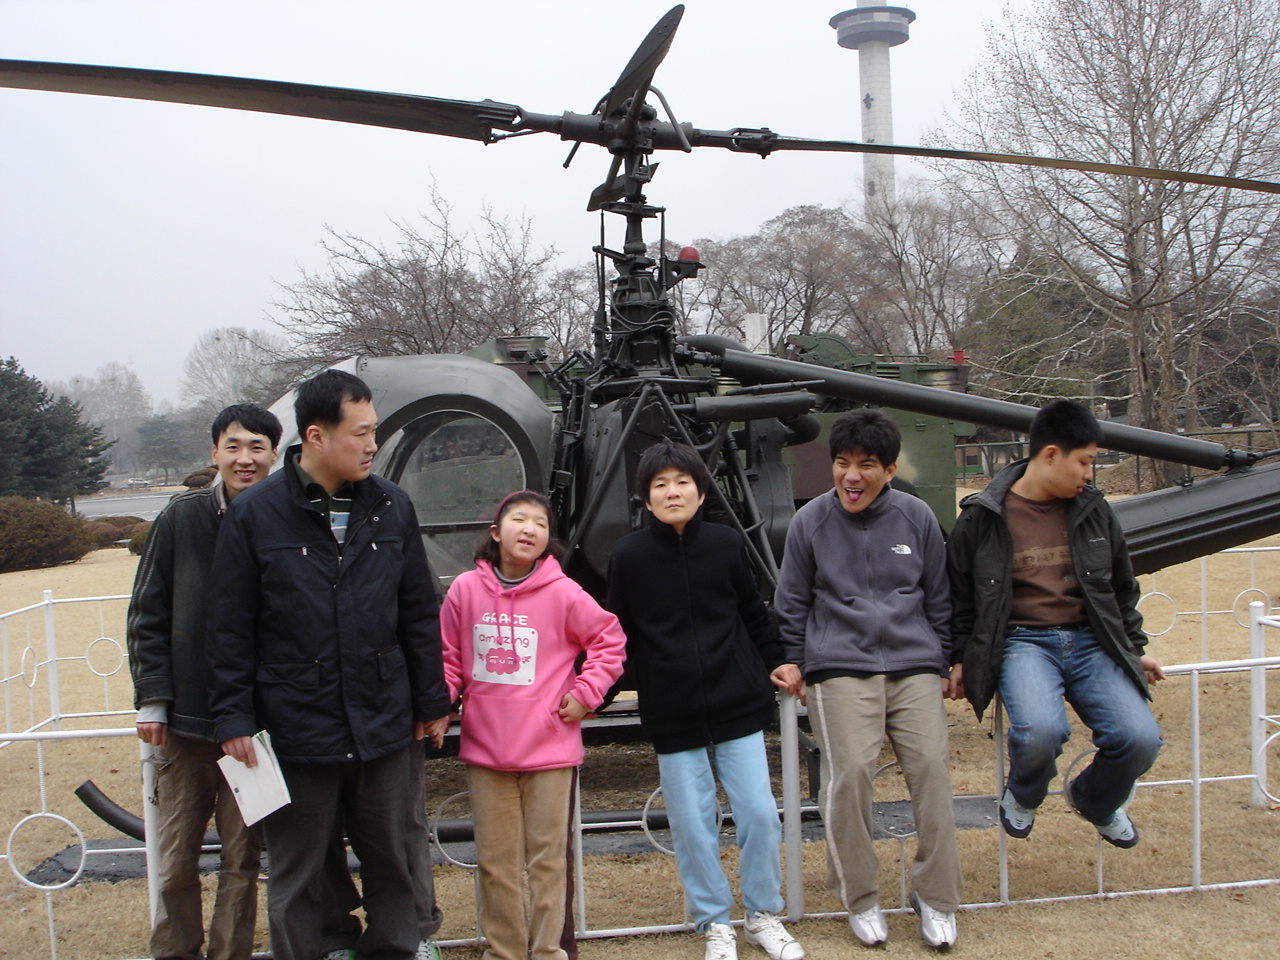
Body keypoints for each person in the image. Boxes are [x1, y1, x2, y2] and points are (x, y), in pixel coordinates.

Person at [206, 370, 452, 960]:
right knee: (301, 868)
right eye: (361, 433)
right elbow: (230, 627)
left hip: (383, 719)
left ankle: (396, 949)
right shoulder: (257, 515)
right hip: (296, 725)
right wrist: (234, 717)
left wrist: (432, 700)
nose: (372, 445)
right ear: (316, 436)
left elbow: (418, 612)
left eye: (374, 432)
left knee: (393, 855)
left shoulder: (391, 506)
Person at [606, 442, 806, 960]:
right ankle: (713, 922)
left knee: (760, 814)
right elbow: (616, 635)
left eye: (682, 482)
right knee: (694, 826)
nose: (672, 492)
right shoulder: (628, 558)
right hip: (672, 712)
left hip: (737, 702)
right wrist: (596, 691)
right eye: (659, 485)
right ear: (645, 498)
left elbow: (753, 612)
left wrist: (776, 659)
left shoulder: (725, 543)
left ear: (700, 490)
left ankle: (764, 914)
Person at [774, 409, 961, 951]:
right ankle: (860, 896)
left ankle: (937, 896)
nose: (851, 476)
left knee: (931, 772)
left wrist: (944, 657)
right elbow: (792, 602)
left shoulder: (917, 517)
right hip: (840, 667)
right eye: (842, 463)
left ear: (890, 468)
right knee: (851, 773)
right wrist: (795, 659)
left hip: (914, 665)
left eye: (866, 465)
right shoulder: (810, 522)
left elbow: (938, 596)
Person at [946, 398, 1164, 848]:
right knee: (1041, 733)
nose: (1089, 474)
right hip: (1023, 642)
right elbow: (959, 599)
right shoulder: (981, 518)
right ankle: (1024, 794)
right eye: (1084, 462)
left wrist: (1132, 650)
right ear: (1050, 455)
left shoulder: (1095, 511)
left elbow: (1121, 588)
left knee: (1140, 738)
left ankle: (1095, 800)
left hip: (1091, 641)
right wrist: (959, 658)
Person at [440, 491, 626, 960]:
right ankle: (503, 952)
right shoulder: (464, 590)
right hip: (486, 749)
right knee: (496, 864)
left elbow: (610, 638)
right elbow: (449, 660)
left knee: (547, 863)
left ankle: (548, 952)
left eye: (539, 524)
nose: (529, 529)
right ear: (495, 532)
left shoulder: (563, 591)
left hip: (549, 750)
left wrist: (585, 694)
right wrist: (438, 707)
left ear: (548, 539)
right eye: (518, 519)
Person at [127, 402, 282, 960]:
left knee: (243, 861)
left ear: (274, 454)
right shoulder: (181, 519)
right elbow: (148, 612)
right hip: (188, 723)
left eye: (256, 447)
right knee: (177, 858)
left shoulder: (285, 517)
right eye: (233, 446)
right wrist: (153, 698)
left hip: (256, 730)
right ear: (215, 451)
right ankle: (174, 952)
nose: (245, 458)